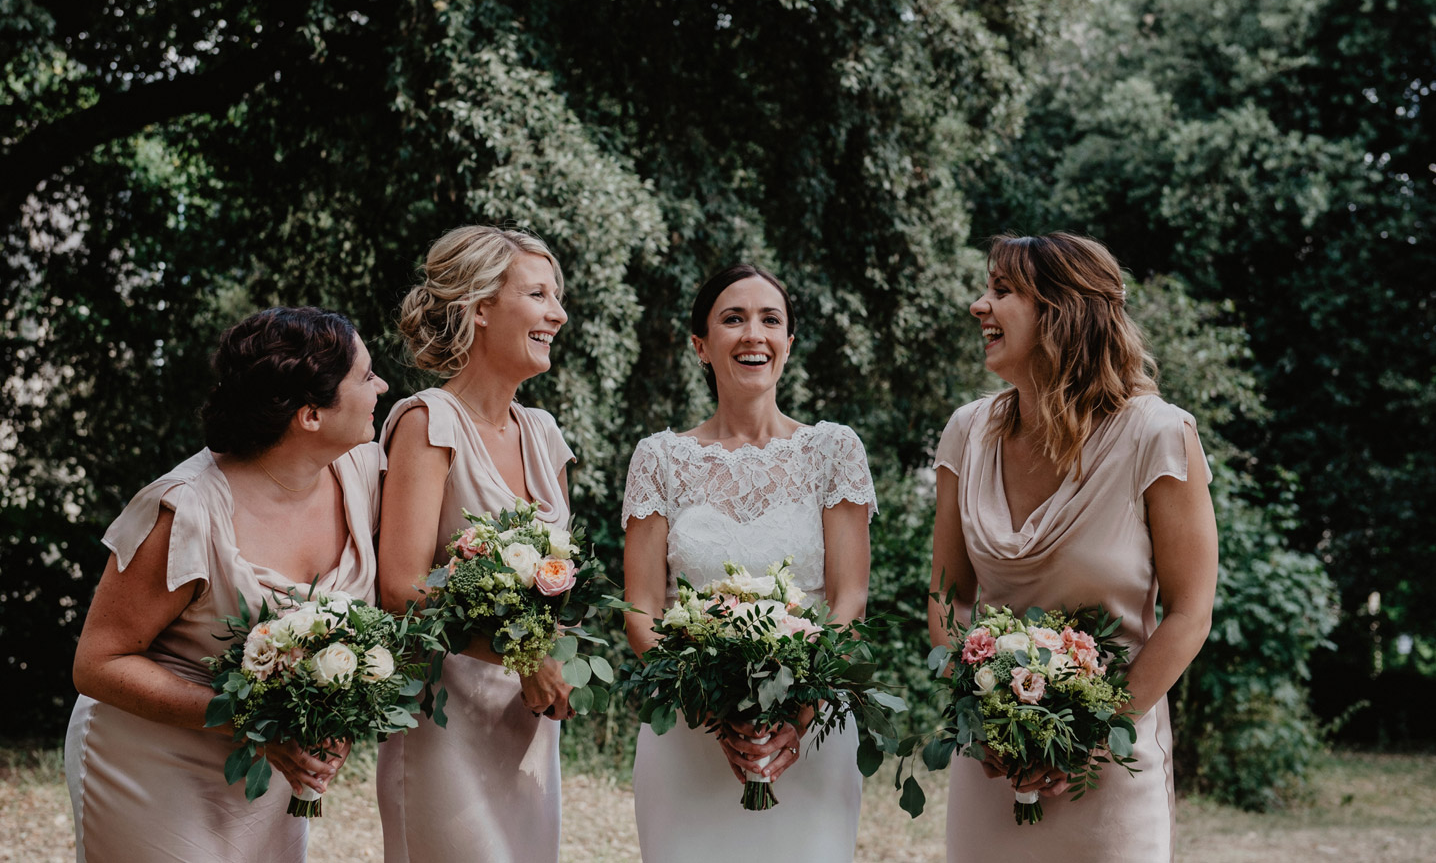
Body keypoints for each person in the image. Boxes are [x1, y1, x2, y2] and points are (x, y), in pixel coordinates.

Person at [930, 233, 1219, 862]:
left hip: (1111, 763)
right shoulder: (965, 433)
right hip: (991, 767)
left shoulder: (1159, 436)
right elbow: (949, 598)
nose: (979, 306)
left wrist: (1088, 734)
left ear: (1063, 311)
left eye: (1002, 292)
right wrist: (982, 726)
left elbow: (1191, 612)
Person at [64, 307, 388, 863]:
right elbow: (98, 663)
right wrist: (256, 721)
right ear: (310, 415)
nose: (382, 386)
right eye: (365, 375)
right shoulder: (187, 510)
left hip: (265, 774)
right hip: (151, 763)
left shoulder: (360, 473)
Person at [621, 263, 877, 863]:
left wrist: (799, 711)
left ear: (790, 340)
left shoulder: (833, 451)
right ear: (700, 345)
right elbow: (641, 609)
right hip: (690, 731)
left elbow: (849, 600)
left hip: (809, 737)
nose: (753, 334)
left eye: (770, 320)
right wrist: (720, 716)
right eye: (732, 319)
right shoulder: (659, 459)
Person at [375, 225, 576, 863]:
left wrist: (546, 657)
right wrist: (520, 655)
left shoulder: (544, 435)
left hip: (528, 718)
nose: (558, 313)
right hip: (444, 721)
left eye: (557, 296)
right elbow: (400, 589)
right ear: (481, 307)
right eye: (539, 295)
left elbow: (560, 578)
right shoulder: (428, 422)